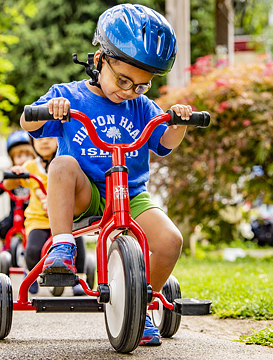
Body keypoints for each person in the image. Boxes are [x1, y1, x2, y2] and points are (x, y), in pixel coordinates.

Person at [20, 4, 192, 345]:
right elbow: (28, 122)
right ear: (99, 60)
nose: (128, 91)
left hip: (130, 194)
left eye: (140, 85)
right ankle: (63, 246)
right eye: (123, 79)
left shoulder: (141, 107)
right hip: (87, 193)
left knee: (171, 241)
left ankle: (140, 306)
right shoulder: (69, 96)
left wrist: (177, 122)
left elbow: (165, 143)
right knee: (63, 164)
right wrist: (49, 111)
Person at [3, 137, 88, 295]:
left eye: (49, 137)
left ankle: (79, 278)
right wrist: (16, 173)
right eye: (38, 138)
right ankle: (31, 274)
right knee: (33, 250)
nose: (44, 142)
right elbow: (8, 185)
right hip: (39, 219)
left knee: (77, 245)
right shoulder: (30, 166)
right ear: (32, 143)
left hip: (66, 218)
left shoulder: (66, 164)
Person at [0, 131, 35, 242]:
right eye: (19, 156)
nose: (24, 159)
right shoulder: (11, 175)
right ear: (12, 159)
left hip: (33, 213)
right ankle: (5, 246)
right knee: (4, 226)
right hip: (15, 213)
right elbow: (1, 187)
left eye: (27, 155)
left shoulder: (35, 173)